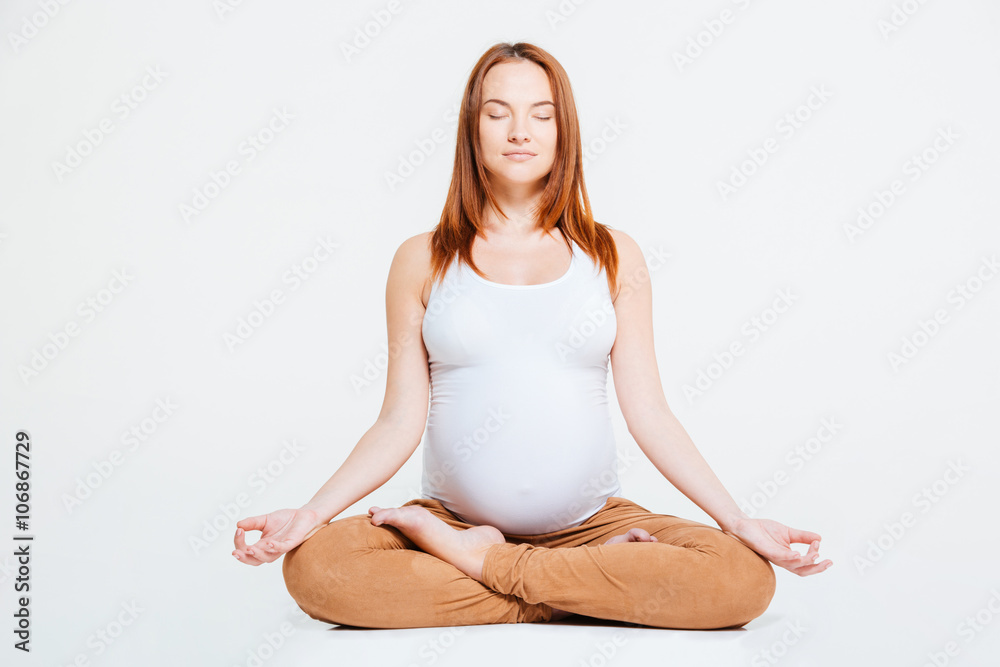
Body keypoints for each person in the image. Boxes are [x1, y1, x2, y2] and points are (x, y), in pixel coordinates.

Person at [232, 41, 831, 630]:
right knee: (318, 569)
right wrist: (311, 514)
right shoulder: (421, 260)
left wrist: (738, 519)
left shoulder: (613, 255)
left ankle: (487, 564)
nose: (520, 130)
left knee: (740, 579)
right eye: (498, 113)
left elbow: (649, 410)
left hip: (593, 523)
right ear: (473, 131)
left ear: (563, 131)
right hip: (450, 520)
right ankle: (575, 584)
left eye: (540, 114)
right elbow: (397, 421)